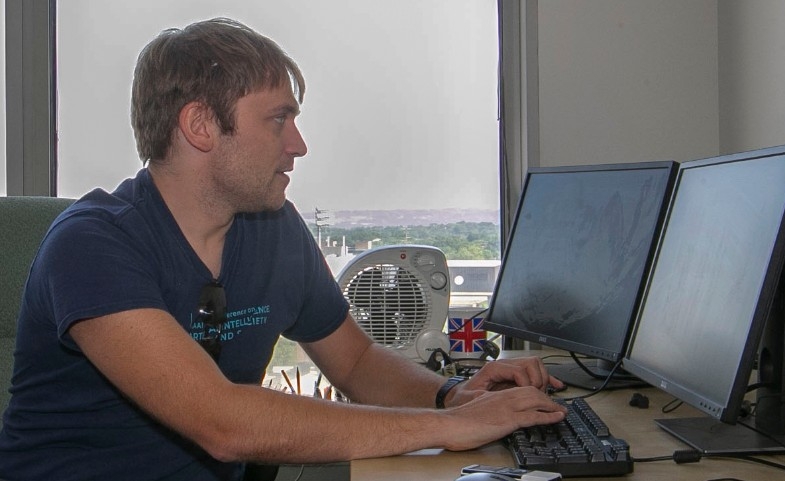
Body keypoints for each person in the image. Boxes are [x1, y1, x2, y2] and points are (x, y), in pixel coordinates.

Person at [0, 17, 566, 481]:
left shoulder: (273, 227)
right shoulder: (92, 244)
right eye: (279, 120)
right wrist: (448, 430)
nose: (298, 144)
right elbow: (223, 423)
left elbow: (358, 362)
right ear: (200, 125)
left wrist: (453, 398)